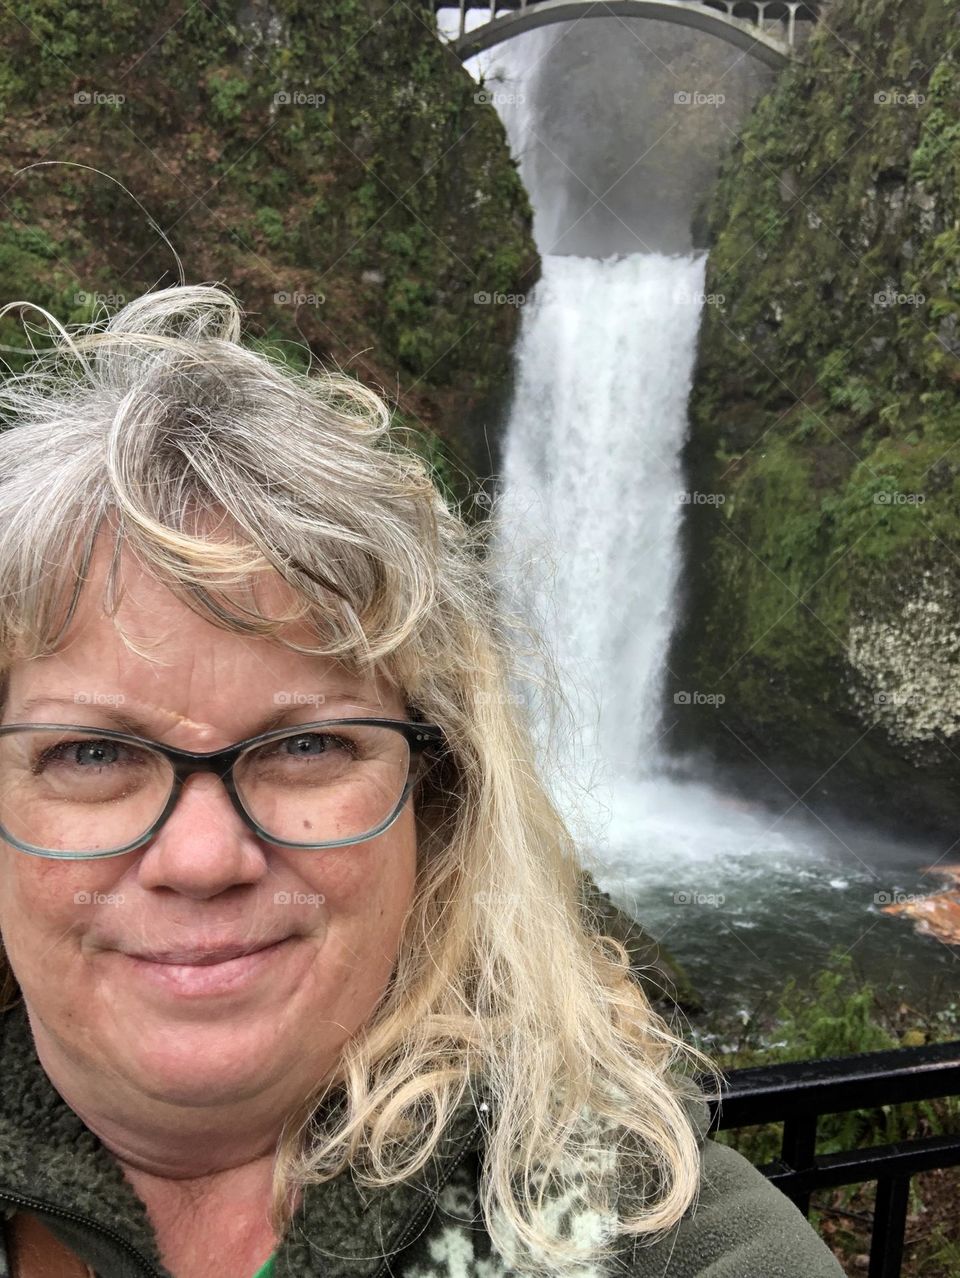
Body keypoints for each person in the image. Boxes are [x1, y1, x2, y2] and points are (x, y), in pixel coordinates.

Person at [0, 283, 844, 1277]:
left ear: (435, 805)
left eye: (306, 746)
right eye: (93, 754)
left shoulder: (670, 1246)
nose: (200, 857)